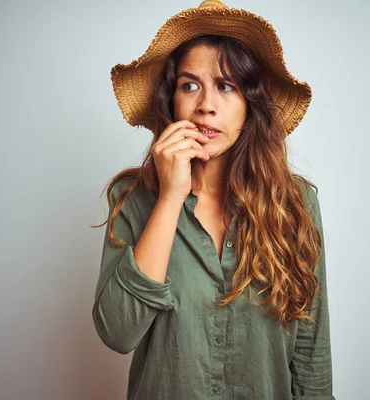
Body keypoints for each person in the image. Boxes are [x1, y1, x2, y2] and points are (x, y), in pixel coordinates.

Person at [91, 1, 335, 399]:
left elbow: (311, 353)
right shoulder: (133, 199)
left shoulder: (295, 203)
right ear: (172, 101)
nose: (206, 104)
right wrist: (170, 197)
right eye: (190, 85)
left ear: (249, 104)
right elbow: (118, 333)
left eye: (226, 86)